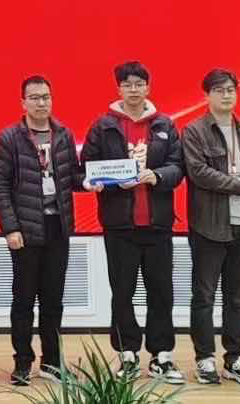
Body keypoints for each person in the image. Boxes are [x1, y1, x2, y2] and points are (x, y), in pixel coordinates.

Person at [80, 61, 185, 385]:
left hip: (157, 224)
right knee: (122, 292)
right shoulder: (103, 126)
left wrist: (158, 176)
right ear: (119, 89)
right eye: (127, 84)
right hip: (119, 226)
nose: (134, 89)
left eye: (139, 84)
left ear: (148, 87)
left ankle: (161, 355)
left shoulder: (164, 124)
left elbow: (178, 166)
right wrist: (101, 181)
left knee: (161, 292)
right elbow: (88, 166)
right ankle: (127, 354)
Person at [0, 75, 90, 386]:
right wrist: (10, 228)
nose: (41, 102)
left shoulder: (63, 134)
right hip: (25, 229)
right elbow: (0, 186)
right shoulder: (9, 137)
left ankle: (52, 362)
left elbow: (72, 176)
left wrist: (91, 180)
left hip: (58, 227)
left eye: (46, 96)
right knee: (23, 300)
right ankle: (23, 362)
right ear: (23, 102)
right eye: (34, 97)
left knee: (53, 300)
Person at [181, 69, 240, 387]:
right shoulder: (194, 131)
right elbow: (199, 173)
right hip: (209, 225)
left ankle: (234, 358)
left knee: (237, 297)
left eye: (231, 89)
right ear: (206, 95)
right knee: (204, 296)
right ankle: (204, 358)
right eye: (219, 90)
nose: (227, 95)